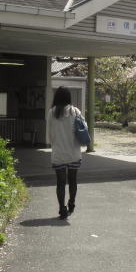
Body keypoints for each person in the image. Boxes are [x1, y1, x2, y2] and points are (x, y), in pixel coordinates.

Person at [47, 86, 84, 219]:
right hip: (74, 152)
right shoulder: (76, 111)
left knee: (60, 182)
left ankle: (62, 208)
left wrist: (56, 143)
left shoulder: (51, 113)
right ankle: (71, 203)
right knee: (73, 181)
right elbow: (83, 130)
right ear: (69, 98)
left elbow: (50, 136)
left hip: (58, 154)